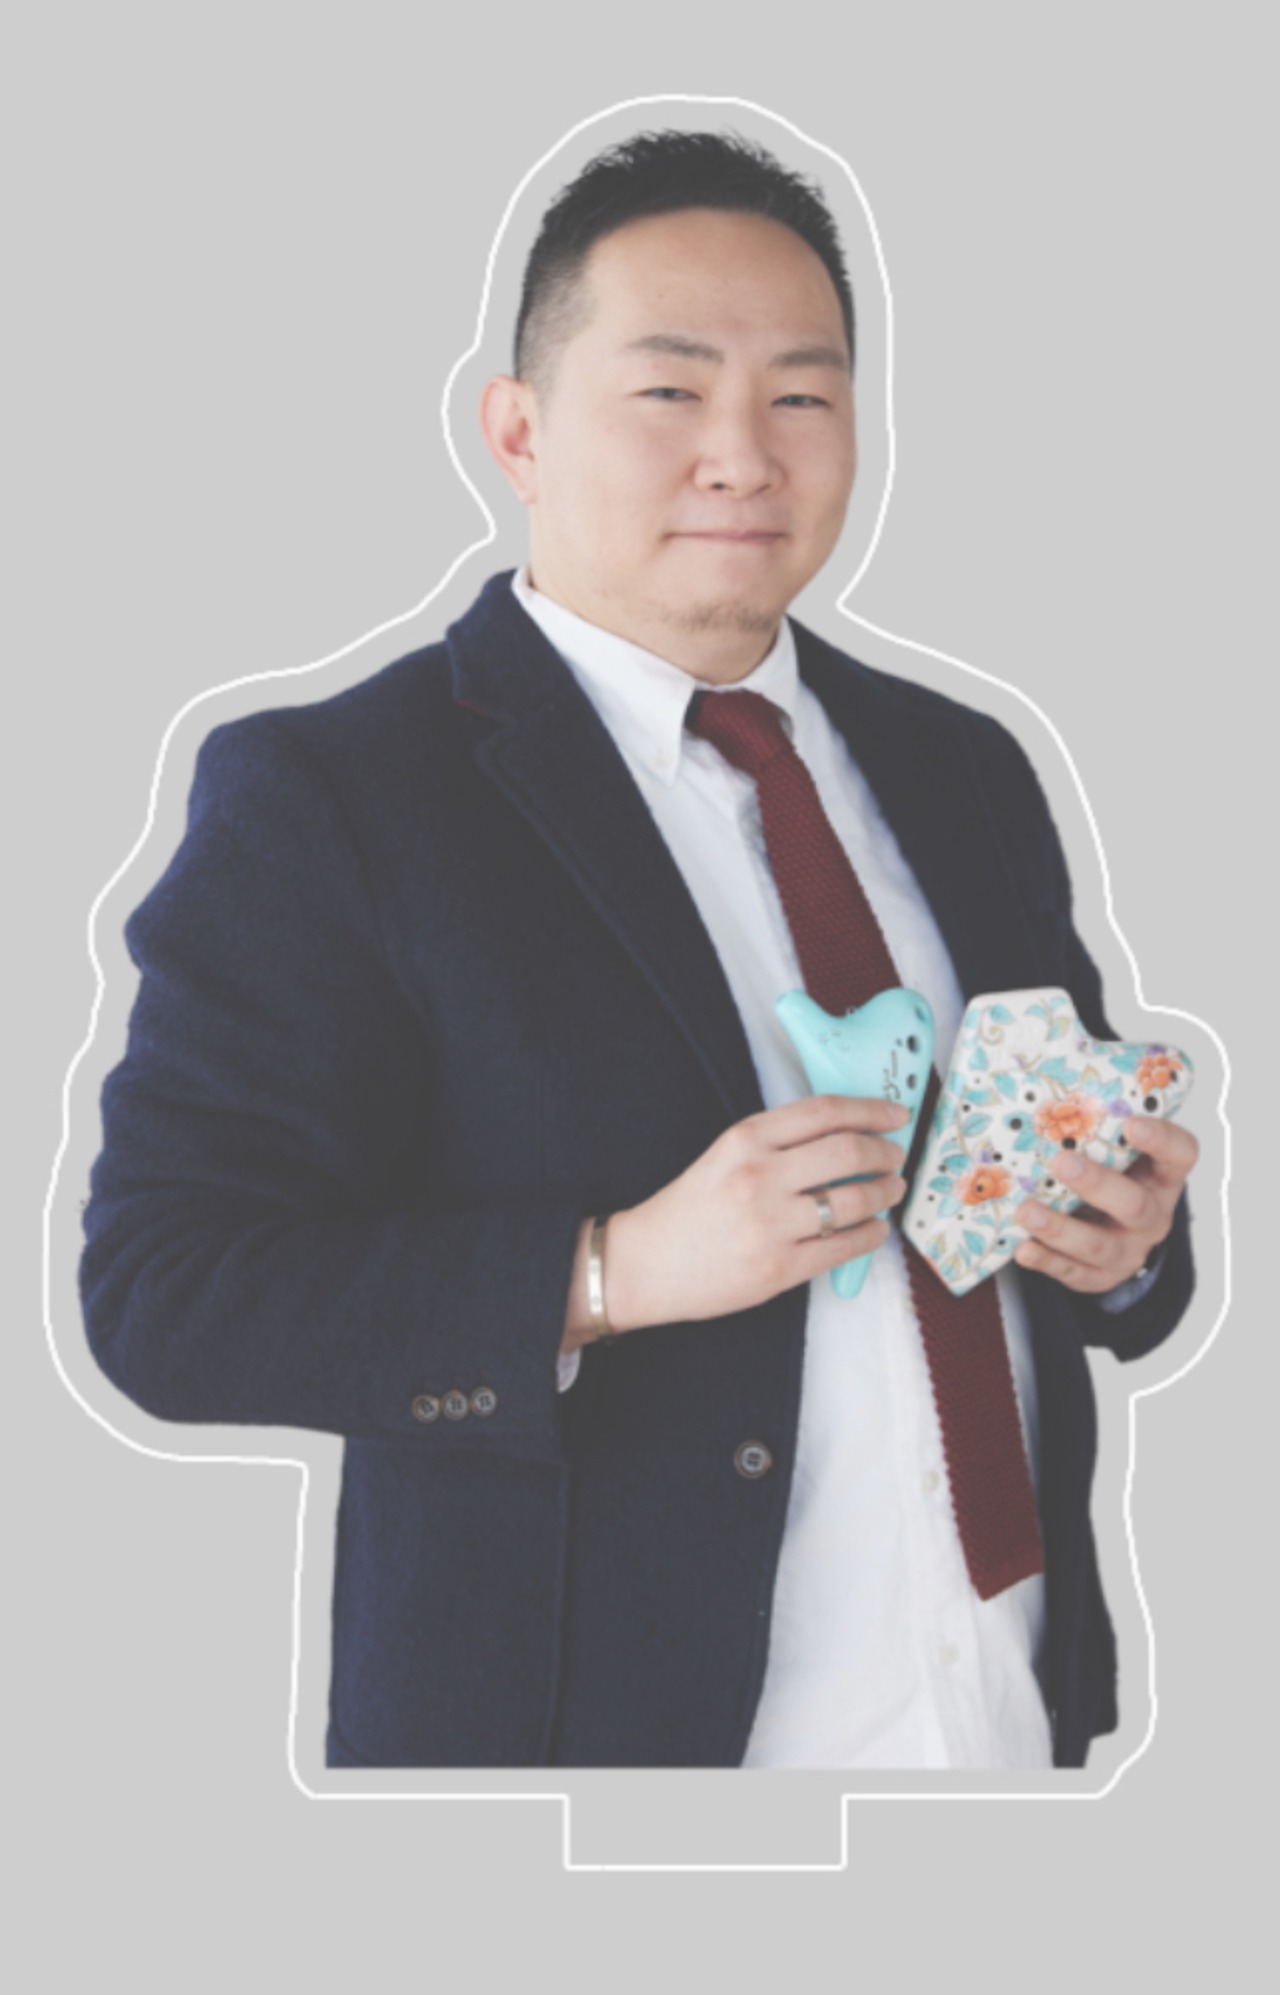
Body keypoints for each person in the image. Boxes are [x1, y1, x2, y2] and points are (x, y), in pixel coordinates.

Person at [79, 129, 1199, 1771]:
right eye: (670, 390)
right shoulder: (338, 794)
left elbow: (1098, 1227)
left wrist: (1125, 1245)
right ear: (518, 431)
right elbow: (166, 1295)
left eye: (803, 396)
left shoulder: (962, 765)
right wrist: (608, 1274)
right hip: (598, 1776)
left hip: (1001, 1725)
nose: (743, 455)